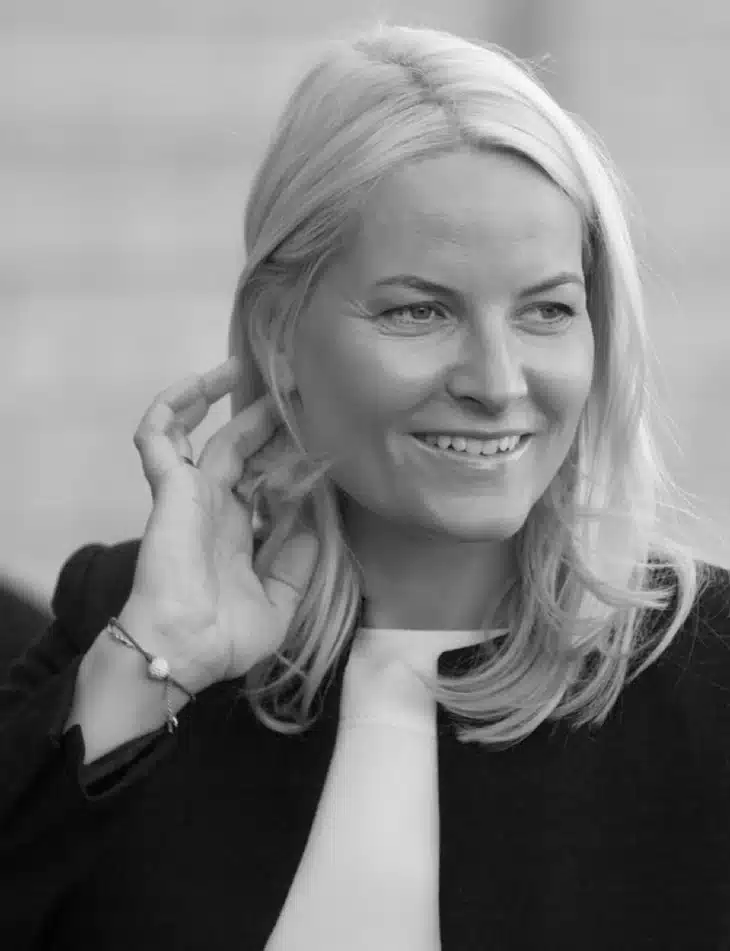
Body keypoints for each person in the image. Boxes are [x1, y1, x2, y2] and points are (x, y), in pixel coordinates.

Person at [1, 23, 729, 951]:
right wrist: (156, 664)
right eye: (420, 309)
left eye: (547, 310)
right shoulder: (121, 621)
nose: (498, 381)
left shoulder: (712, 676)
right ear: (279, 334)